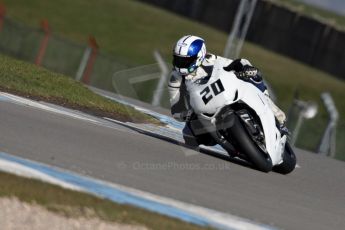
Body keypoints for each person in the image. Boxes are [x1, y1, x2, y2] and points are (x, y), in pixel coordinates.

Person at [168, 35, 288, 147]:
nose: (180, 64)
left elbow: (234, 63)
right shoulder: (175, 78)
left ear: (199, 55)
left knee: (252, 76)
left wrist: (245, 68)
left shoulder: (211, 59)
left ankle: (277, 116)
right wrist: (187, 114)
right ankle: (232, 143)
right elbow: (176, 108)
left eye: (185, 61)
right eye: (178, 59)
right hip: (202, 112)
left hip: (224, 95)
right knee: (189, 136)